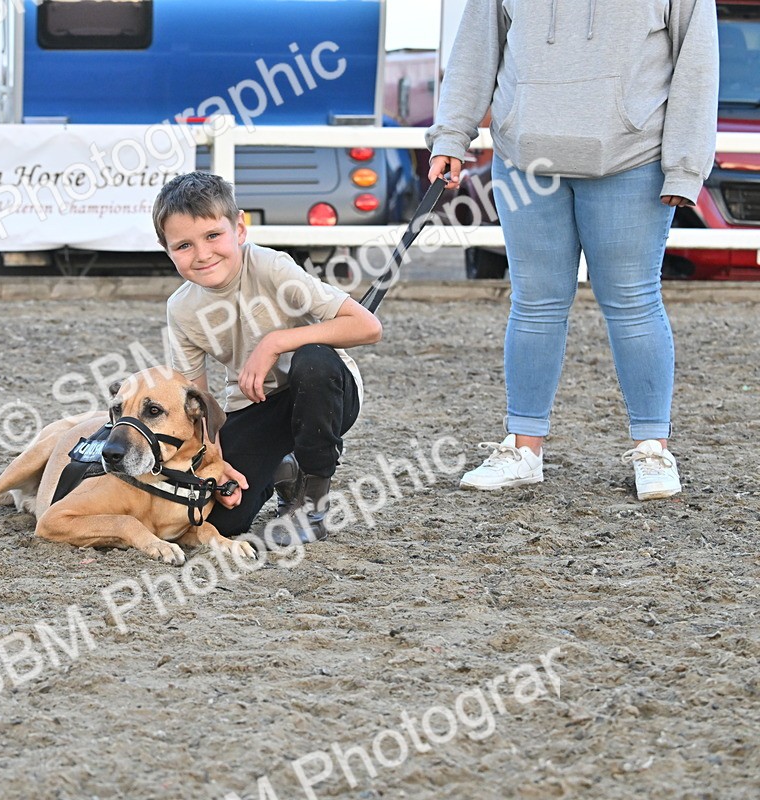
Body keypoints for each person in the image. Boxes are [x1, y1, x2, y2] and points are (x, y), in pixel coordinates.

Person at [426, 0, 719, 500]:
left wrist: (686, 166)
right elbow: (477, 46)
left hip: (633, 161)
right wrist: (451, 135)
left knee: (633, 302)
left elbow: (697, 61)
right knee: (534, 302)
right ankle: (524, 450)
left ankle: (653, 450)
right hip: (525, 161)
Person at [158, 172, 383, 545]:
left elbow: (368, 326)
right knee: (225, 521)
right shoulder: (180, 309)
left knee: (312, 360)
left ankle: (311, 506)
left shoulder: (272, 266)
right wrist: (215, 461)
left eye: (213, 235)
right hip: (256, 405)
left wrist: (277, 342)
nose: (202, 254)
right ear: (167, 250)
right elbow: (195, 404)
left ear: (240, 229)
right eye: (184, 245)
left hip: (326, 392)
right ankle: (285, 470)